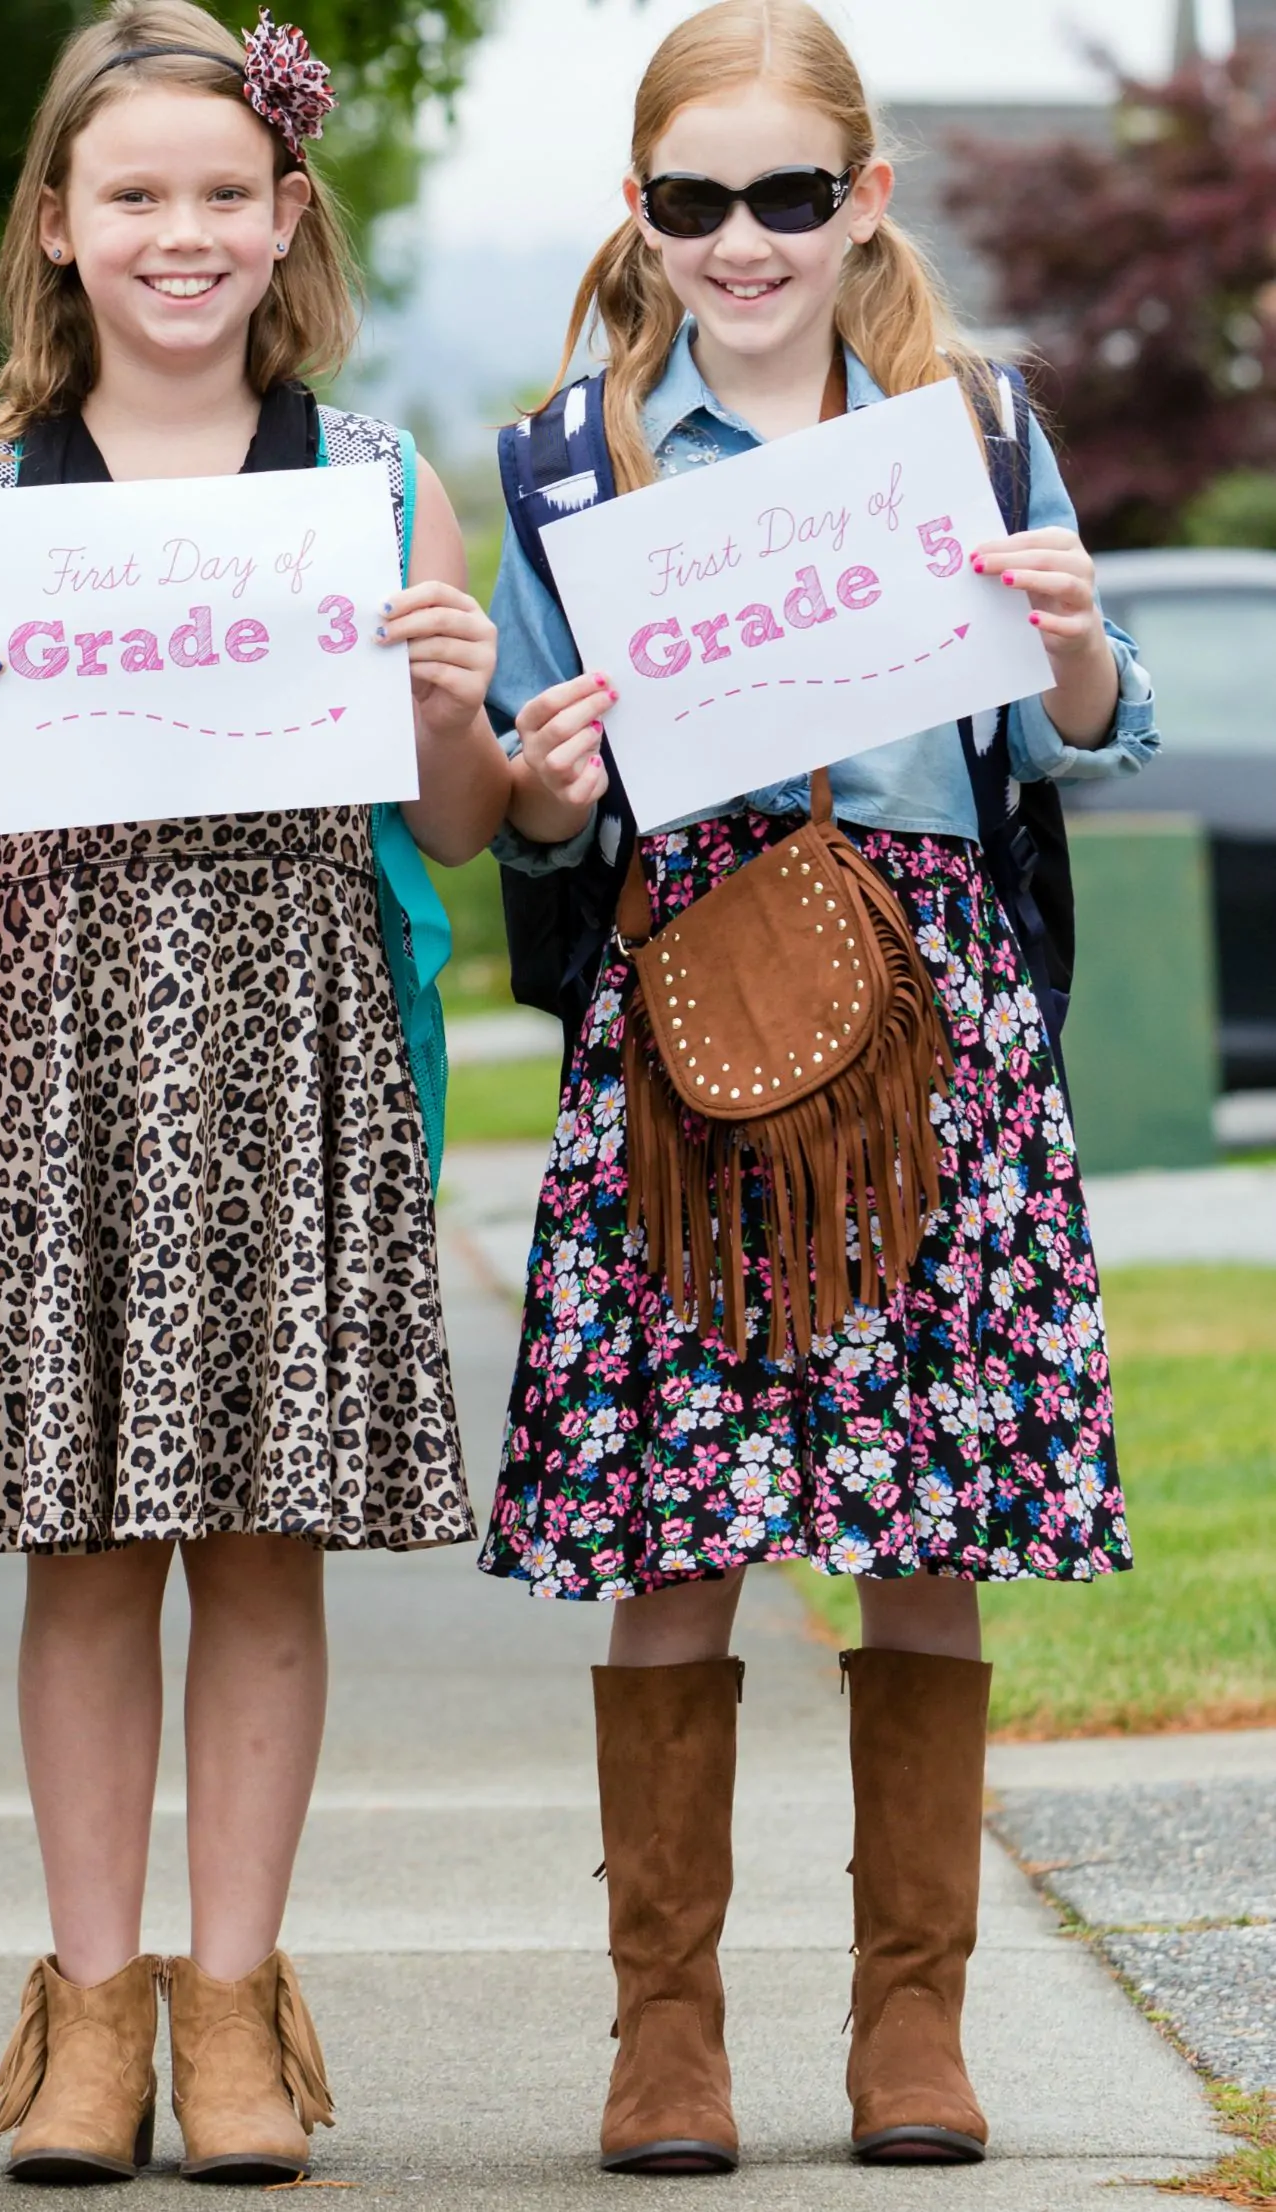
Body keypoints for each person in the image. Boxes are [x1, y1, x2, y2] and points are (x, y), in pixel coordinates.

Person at [478, 0, 1157, 2178]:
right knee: (673, 1522)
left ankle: (907, 2029)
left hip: (929, 1010)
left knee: (920, 1518)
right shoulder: (569, 464)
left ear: (860, 198)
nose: (743, 239)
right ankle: (661, 2037)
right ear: (642, 218)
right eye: (697, 202)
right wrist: (536, 777)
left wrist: (1059, 631)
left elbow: (1085, 722)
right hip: (680, 998)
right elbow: (517, 803)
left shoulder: (966, 425)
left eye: (788, 194)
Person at [0, 2, 507, 2184]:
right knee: (85, 1542)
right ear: (56, 224)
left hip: (293, 1031)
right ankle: (88, 2007)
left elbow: (459, 823)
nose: (179, 232)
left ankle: (234, 2004)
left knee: (263, 1538)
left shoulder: (371, 480)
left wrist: (453, 699)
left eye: (221, 195)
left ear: (285, 215)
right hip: (55, 1056)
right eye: (132, 194)